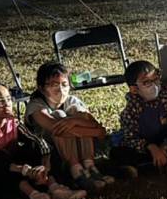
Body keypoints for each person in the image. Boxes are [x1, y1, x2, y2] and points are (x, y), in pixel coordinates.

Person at [0, 80, 87, 199]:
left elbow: (37, 141)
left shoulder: (13, 122)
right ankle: (36, 197)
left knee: (35, 149)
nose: (7, 104)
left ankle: (55, 187)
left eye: (8, 99)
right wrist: (24, 169)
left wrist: (45, 164)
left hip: (18, 165)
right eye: (0, 101)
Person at [25, 62, 113, 191]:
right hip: (49, 151)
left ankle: (89, 166)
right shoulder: (36, 105)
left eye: (64, 84)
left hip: (77, 146)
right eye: (54, 85)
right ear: (42, 88)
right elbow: (58, 129)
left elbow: (91, 122)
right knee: (59, 115)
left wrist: (74, 121)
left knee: (79, 116)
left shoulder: (71, 100)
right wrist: (96, 132)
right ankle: (76, 169)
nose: (60, 90)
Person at [112, 60, 167, 173]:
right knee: (119, 152)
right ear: (134, 89)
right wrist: (151, 147)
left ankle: (158, 162)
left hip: (165, 142)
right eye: (146, 82)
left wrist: (166, 145)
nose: (154, 85)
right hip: (145, 147)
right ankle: (154, 164)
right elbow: (130, 138)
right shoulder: (131, 110)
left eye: (155, 79)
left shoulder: (164, 100)